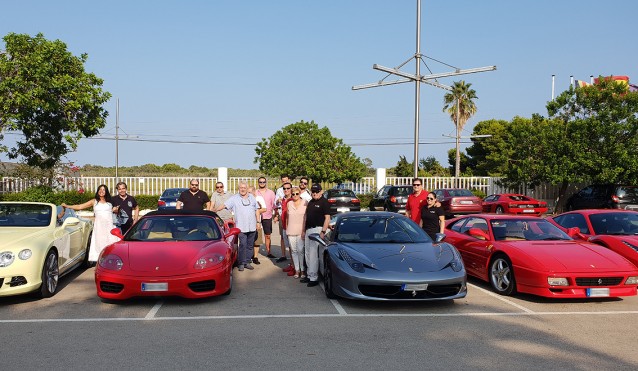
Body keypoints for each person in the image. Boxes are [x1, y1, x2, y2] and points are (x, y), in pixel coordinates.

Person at [62, 184, 121, 263]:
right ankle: (100, 262)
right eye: (100, 189)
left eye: (103, 190)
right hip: (99, 227)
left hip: (109, 226)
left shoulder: (110, 201)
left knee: (110, 243)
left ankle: (110, 261)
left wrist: (116, 209)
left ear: (106, 191)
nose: (101, 191)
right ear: (98, 191)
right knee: (99, 243)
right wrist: (67, 206)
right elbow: (80, 206)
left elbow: (115, 210)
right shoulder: (94, 201)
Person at [214, 182, 263, 271]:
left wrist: (258, 222)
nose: (243, 189)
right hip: (241, 227)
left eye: (244, 187)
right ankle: (241, 262)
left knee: (250, 245)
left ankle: (247, 262)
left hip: (252, 226)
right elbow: (224, 205)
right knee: (243, 244)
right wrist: (214, 210)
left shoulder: (252, 197)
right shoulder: (234, 198)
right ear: (238, 188)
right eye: (241, 187)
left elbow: (257, 210)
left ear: (247, 188)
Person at [301, 183, 331, 287]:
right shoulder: (310, 202)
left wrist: (323, 231)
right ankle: (309, 275)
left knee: (314, 254)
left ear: (321, 191)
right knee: (308, 254)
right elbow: (306, 217)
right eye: (313, 192)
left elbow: (327, 218)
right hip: (309, 229)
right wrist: (304, 230)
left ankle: (314, 278)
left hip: (318, 229)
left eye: (317, 192)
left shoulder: (324, 202)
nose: (315, 194)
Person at [284, 186, 308, 279]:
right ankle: (297, 270)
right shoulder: (289, 203)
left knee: (301, 251)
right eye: (293, 194)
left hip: (301, 231)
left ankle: (302, 270)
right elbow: (287, 217)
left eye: (297, 193)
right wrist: (287, 228)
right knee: (293, 251)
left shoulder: (305, 203)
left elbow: (306, 218)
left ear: (300, 194)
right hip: (291, 230)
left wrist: (304, 231)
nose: (295, 195)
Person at [255, 176, 276, 259]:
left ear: (266, 182)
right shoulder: (255, 192)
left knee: (268, 235)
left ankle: (269, 252)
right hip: (257, 217)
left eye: (263, 182)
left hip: (267, 216)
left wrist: (276, 215)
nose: (262, 183)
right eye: (260, 182)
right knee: (257, 236)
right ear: (258, 182)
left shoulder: (271, 193)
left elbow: (274, 205)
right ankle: (255, 254)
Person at [274, 175, 290, 262]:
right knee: (283, 236)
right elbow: (275, 203)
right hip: (282, 214)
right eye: (283, 181)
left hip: (291, 216)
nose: (285, 183)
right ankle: (283, 255)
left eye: (286, 181)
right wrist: (278, 200)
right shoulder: (280, 190)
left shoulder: (293, 189)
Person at [248, 185, 266, 265]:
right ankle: (248, 257)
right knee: (248, 241)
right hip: (247, 223)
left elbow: (264, 209)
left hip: (257, 223)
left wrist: (256, 211)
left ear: (254, 192)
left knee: (257, 242)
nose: (248, 194)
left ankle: (255, 257)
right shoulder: (245, 199)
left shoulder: (259, 198)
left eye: (250, 192)